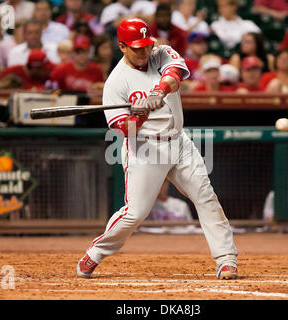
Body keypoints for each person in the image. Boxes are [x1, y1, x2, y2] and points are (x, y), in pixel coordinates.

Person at [76, 18, 239, 280]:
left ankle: (226, 259)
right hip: (145, 148)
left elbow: (176, 74)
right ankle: (95, 253)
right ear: (122, 47)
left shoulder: (160, 52)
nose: (144, 52)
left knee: (205, 197)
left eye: (146, 46)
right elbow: (123, 130)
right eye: (136, 47)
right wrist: (139, 115)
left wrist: (159, 91)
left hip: (178, 141)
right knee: (135, 213)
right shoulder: (116, 83)